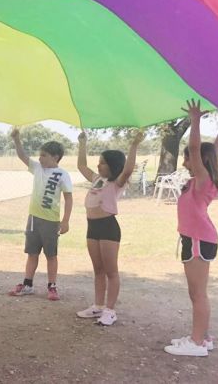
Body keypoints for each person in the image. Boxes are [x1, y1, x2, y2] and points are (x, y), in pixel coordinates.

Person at [164, 100, 218, 357]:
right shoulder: (199, 180)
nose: (185, 160)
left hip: (199, 239)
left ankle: (197, 343)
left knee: (198, 294)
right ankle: (203, 337)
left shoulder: (203, 180)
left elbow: (195, 146)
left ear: (198, 159)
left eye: (187, 157)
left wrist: (195, 119)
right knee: (195, 292)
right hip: (195, 238)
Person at [75, 130, 144, 325]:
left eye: (103, 162)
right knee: (98, 270)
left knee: (111, 271)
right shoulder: (97, 178)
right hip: (92, 227)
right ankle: (97, 306)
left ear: (112, 166)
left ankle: (110, 310)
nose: (99, 165)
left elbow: (128, 169)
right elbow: (81, 166)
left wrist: (134, 145)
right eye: (99, 162)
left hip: (108, 228)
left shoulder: (116, 182)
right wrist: (82, 143)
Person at [8, 128, 73, 300]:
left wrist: (65, 221)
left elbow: (69, 198)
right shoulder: (37, 168)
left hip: (51, 221)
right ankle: (27, 284)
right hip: (33, 219)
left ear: (55, 157)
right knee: (32, 253)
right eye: (40, 155)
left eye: (44, 155)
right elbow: (22, 156)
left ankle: (52, 286)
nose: (40, 158)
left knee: (51, 255)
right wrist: (16, 139)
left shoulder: (63, 175)